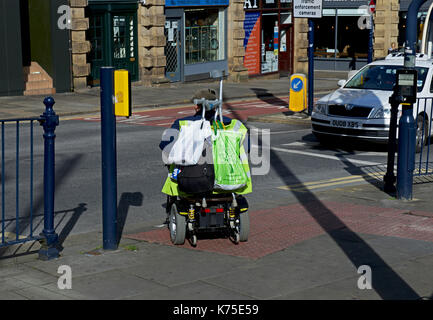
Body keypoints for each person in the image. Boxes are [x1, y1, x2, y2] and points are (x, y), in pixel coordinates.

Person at [159, 89, 252, 200]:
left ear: (196, 106)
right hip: (230, 181)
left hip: (191, 181)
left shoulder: (182, 124)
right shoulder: (235, 125)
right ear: (216, 106)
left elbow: (166, 147)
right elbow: (246, 149)